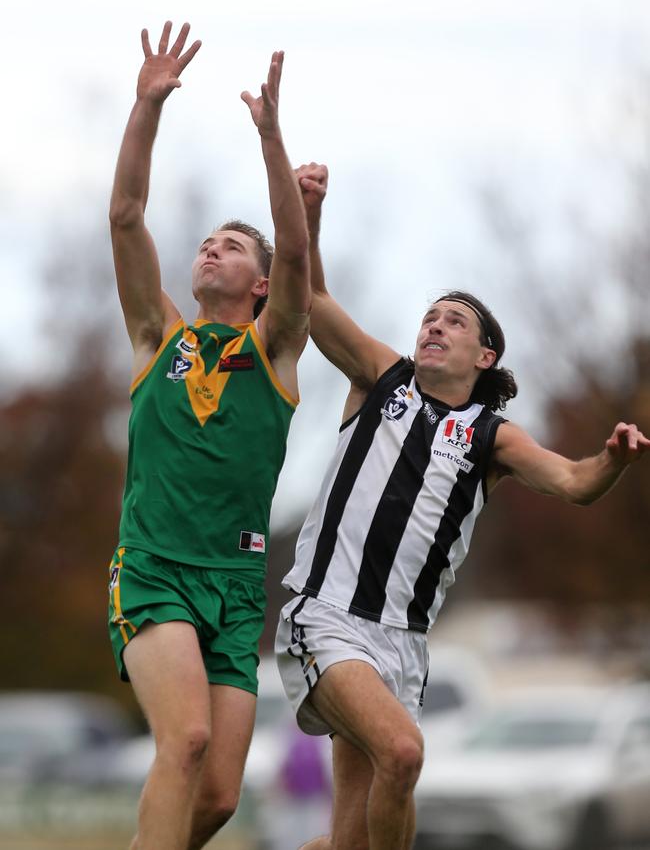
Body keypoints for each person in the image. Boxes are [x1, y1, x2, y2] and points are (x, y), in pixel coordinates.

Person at [274, 162, 650, 850]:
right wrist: (310, 214)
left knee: (348, 841)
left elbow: (572, 480)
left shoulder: (490, 436)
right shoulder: (380, 377)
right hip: (326, 618)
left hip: (402, 646)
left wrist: (613, 461)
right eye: (429, 318)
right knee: (405, 751)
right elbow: (311, 296)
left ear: (485, 354)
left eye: (454, 321)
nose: (434, 327)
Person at [107, 21, 309, 850]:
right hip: (154, 567)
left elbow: (296, 248)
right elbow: (125, 215)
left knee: (219, 797)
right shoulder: (159, 335)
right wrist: (146, 105)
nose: (208, 248)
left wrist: (270, 138)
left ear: (258, 284)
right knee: (183, 741)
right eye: (205, 242)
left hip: (235, 585)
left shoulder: (275, 350)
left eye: (229, 245)